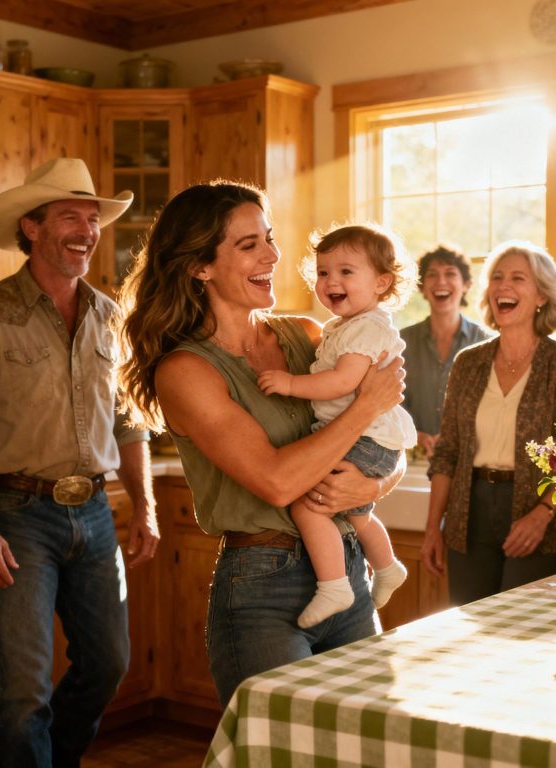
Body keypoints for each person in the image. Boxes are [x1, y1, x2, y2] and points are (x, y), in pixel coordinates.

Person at [117, 181, 406, 707]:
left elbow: (389, 443)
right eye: (248, 244)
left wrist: (370, 483)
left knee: (368, 746)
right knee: (282, 751)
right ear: (199, 266)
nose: (272, 255)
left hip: (345, 570)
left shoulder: (310, 335)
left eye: (268, 239)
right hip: (261, 591)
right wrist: (364, 406)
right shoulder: (187, 371)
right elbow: (275, 481)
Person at [0, 158, 160, 767]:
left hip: (98, 513)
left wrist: (146, 509)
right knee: (23, 692)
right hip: (16, 513)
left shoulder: (112, 318)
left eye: (93, 218)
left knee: (108, 664)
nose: (87, 229)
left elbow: (130, 421)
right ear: (31, 228)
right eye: (70, 217)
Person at [257, 224, 417, 628]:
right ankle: (386, 567)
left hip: (365, 437)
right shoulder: (343, 327)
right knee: (357, 514)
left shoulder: (366, 328)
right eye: (324, 272)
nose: (331, 281)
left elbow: (343, 382)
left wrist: (292, 384)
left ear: (382, 283)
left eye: (347, 272)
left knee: (308, 506)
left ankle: (334, 586)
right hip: (371, 437)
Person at [420, 241, 556, 605]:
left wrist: (543, 515)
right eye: (496, 277)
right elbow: (448, 451)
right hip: (469, 514)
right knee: (471, 629)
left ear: (542, 295)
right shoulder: (468, 362)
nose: (503, 287)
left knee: (523, 633)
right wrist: (433, 527)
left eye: (517, 278)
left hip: (539, 513)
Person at [400, 245, 489, 460]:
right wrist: (411, 434)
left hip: (469, 459)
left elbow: (491, 405)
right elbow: (392, 401)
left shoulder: (486, 342)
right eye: (432, 275)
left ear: (466, 284)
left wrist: (456, 436)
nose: (441, 282)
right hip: (412, 461)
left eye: (450, 274)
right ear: (422, 287)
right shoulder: (401, 342)